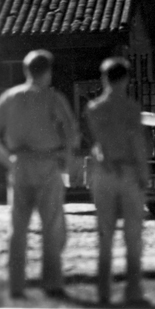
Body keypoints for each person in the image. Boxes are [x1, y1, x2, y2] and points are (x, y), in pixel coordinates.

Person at [0, 50, 79, 300]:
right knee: (52, 226)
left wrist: (8, 161)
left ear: (26, 70)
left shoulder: (8, 98)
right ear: (48, 72)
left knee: (18, 228)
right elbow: (72, 133)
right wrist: (66, 161)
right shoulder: (53, 98)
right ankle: (52, 282)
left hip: (19, 163)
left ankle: (15, 285)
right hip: (47, 164)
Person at [85, 57, 151, 307]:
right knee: (133, 233)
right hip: (128, 170)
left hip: (103, 171)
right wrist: (143, 175)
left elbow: (98, 140)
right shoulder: (131, 108)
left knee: (105, 232)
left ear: (104, 78)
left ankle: (103, 291)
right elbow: (137, 144)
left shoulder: (93, 108)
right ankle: (132, 290)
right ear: (126, 79)